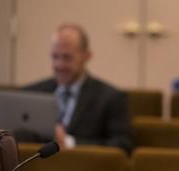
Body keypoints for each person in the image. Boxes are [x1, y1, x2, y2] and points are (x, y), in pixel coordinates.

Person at [21, 23, 132, 154]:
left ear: (86, 56)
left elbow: (122, 146)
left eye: (67, 57)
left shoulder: (111, 98)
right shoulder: (31, 93)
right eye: (55, 56)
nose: (59, 64)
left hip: (85, 170)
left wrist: (69, 142)